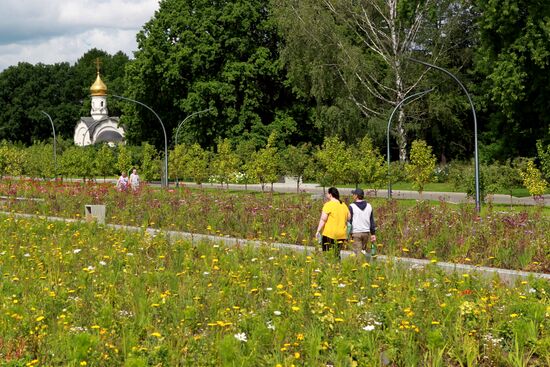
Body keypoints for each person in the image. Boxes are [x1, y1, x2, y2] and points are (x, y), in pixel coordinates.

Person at [315, 187, 350, 258]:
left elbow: (323, 219)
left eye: (327, 193)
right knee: (337, 254)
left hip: (329, 234)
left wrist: (318, 230)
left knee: (327, 254)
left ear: (330, 194)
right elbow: (349, 217)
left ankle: (329, 267)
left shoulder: (328, 205)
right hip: (341, 235)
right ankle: (337, 267)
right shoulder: (343, 205)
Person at [348, 188, 377, 260]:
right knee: (363, 252)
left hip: (356, 233)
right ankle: (364, 266)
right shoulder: (369, 206)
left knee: (358, 254)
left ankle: (360, 269)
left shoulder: (351, 206)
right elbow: (371, 221)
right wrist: (373, 234)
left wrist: (348, 233)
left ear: (356, 196)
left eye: (353, 194)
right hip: (366, 233)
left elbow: (350, 221)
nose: (352, 196)